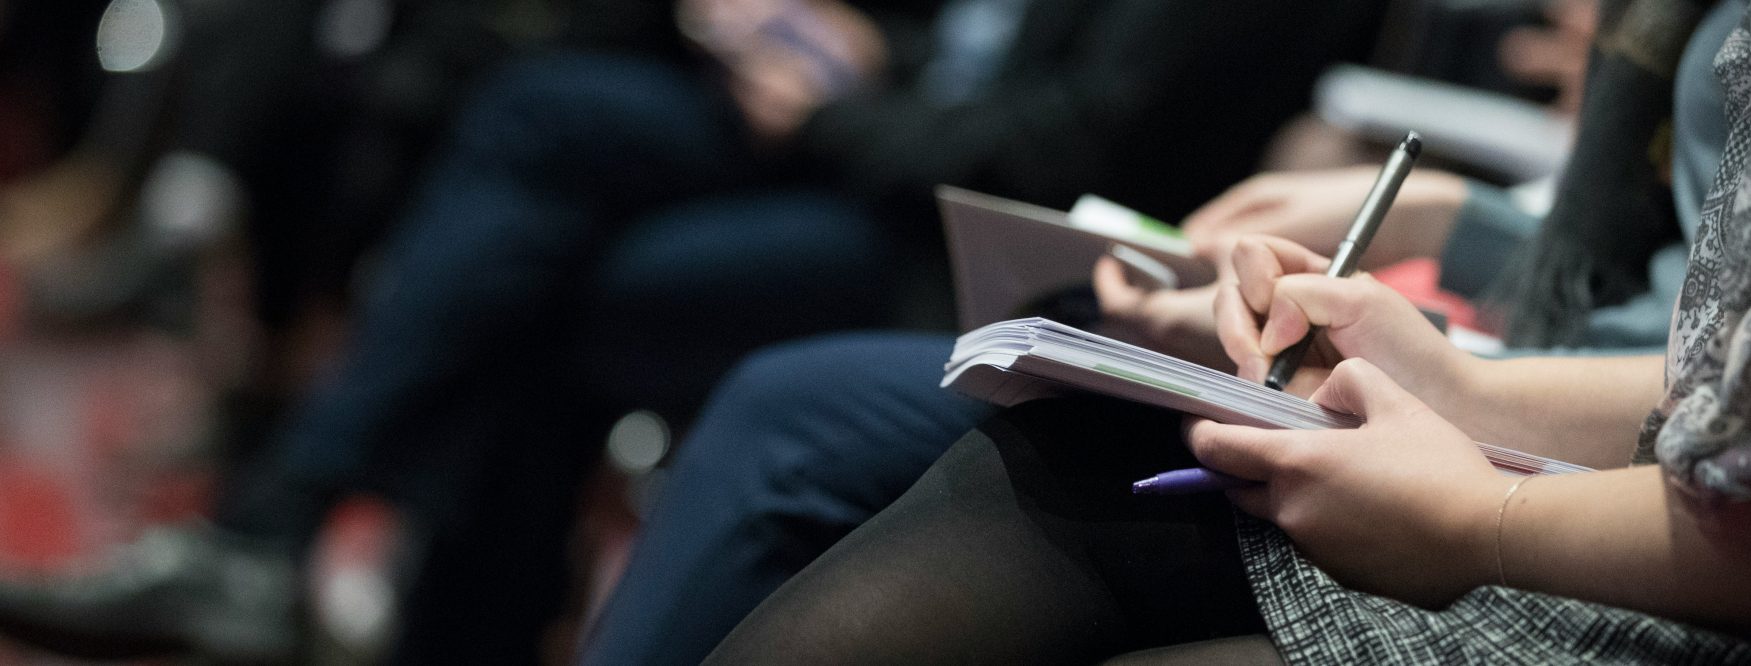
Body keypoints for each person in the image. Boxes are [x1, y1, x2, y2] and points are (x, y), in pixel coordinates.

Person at [0, 0, 1378, 662]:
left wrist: (834, 112)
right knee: (538, 116)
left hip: (987, 241)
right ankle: (289, 537)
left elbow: (1050, 144)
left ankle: (304, 551)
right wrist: (827, 46)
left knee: (559, 292)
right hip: (879, 138)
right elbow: (961, 50)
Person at [684, 0, 1751, 661]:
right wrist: (1452, 381)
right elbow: (1737, 362)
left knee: (823, 412)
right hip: (1648, 447)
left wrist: (1484, 510)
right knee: (1036, 456)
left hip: (1743, 574)